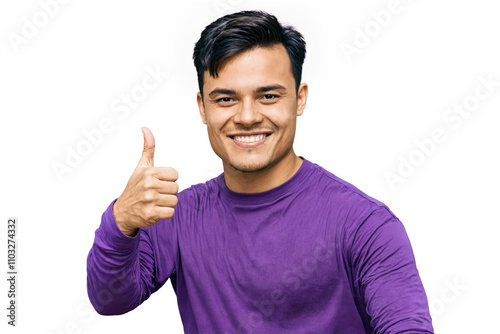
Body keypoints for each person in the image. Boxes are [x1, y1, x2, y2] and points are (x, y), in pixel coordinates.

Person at [86, 10, 434, 334]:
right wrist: (121, 221)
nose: (248, 116)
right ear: (202, 107)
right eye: (225, 99)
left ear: (299, 99)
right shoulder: (176, 216)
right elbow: (109, 301)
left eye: (268, 96)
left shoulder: (365, 225)